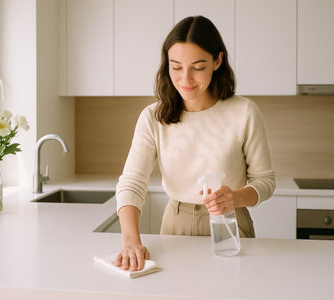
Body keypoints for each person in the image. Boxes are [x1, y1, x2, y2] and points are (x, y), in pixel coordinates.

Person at [115, 16, 275, 271]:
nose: (186, 79)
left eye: (198, 67)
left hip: (230, 221)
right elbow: (132, 182)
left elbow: (264, 181)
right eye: (176, 67)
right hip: (175, 224)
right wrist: (130, 239)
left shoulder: (244, 112)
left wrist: (236, 198)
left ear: (217, 61)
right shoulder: (153, 117)